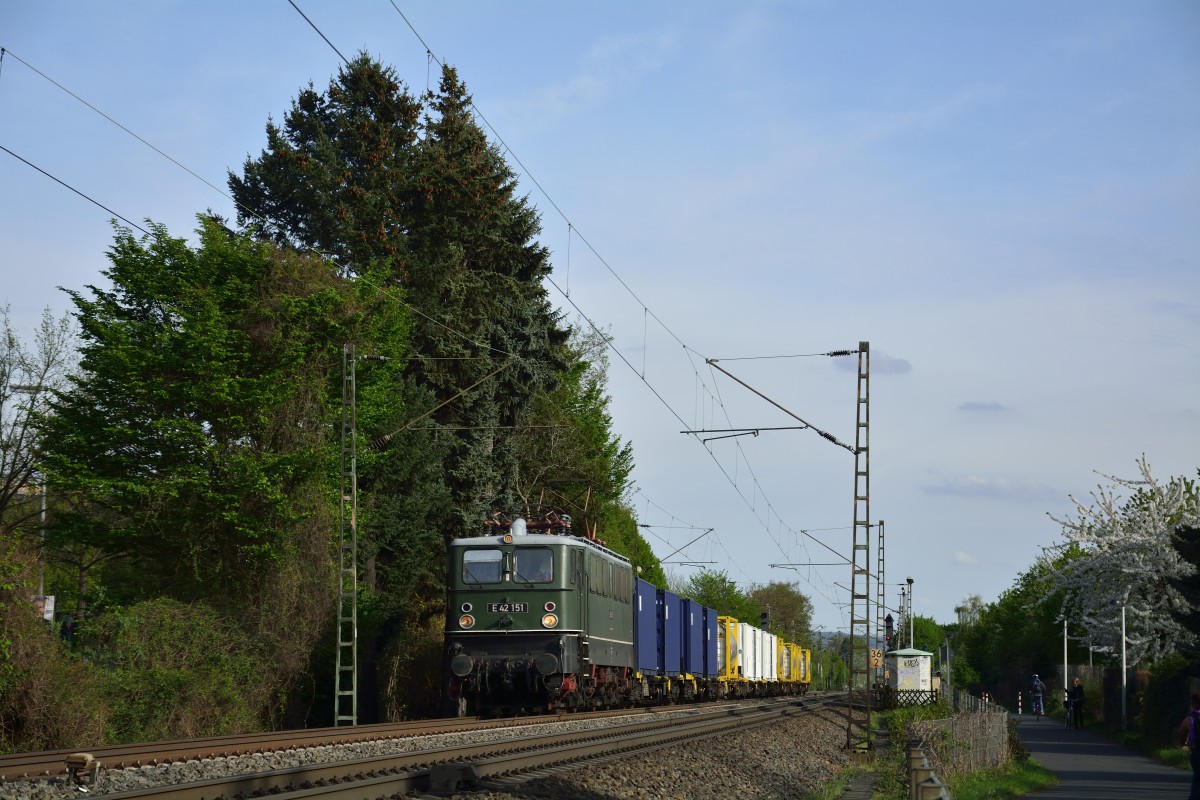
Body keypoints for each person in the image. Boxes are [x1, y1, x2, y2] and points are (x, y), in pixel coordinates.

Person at [1178, 692, 1200, 800]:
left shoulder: (1189, 720)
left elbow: (1181, 734)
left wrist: (1183, 744)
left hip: (1196, 753)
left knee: (1197, 779)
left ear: (1193, 704)